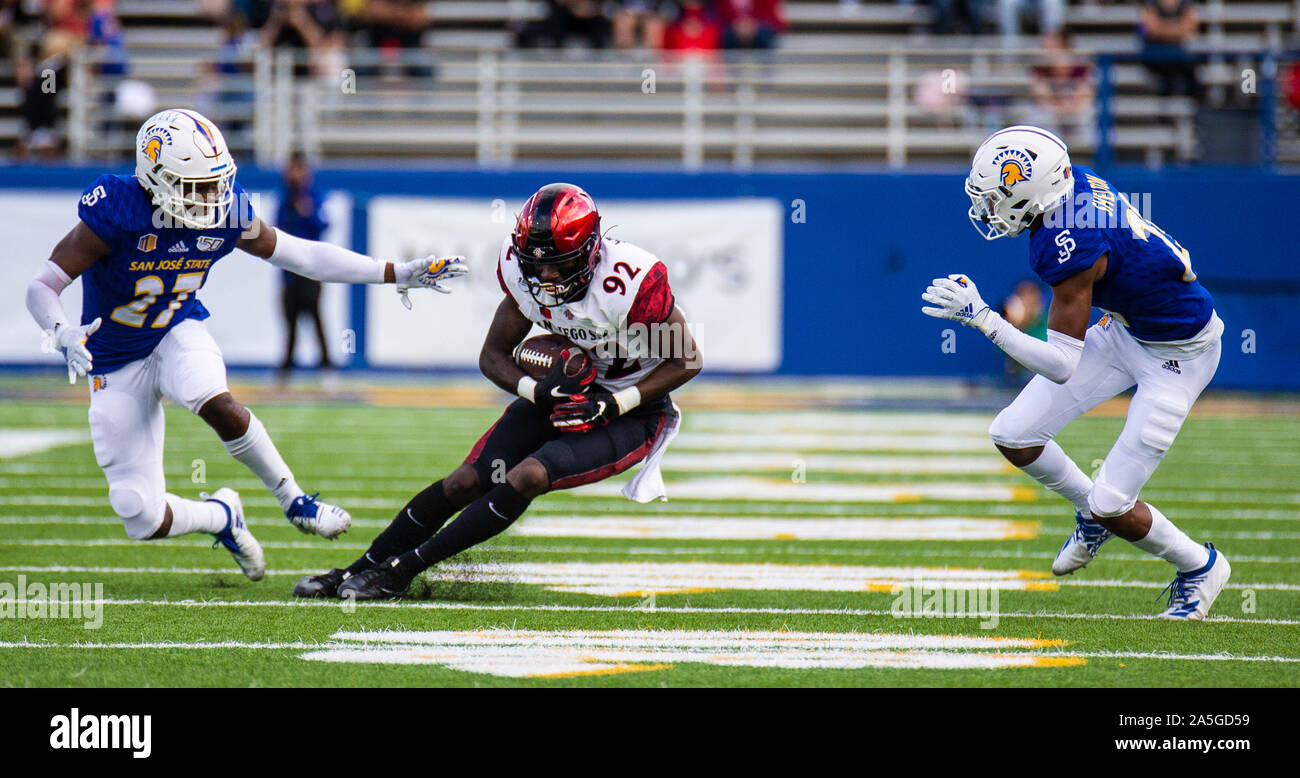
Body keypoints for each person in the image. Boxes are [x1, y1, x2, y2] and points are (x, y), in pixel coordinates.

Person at [23, 108, 468, 580]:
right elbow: (42, 286)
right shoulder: (116, 209)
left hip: (176, 326)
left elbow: (302, 254)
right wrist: (60, 330)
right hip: (113, 358)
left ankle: (293, 498)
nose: (212, 197)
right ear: (155, 180)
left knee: (211, 397)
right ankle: (222, 516)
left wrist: (396, 273)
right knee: (138, 514)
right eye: (196, 186)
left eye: (217, 183)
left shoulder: (225, 211)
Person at [294, 183, 702, 599]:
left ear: (591, 251)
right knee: (465, 482)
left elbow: (687, 358)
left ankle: (401, 573)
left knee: (529, 475)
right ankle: (356, 570)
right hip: (565, 393)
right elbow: (492, 356)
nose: (546, 277)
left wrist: (615, 403)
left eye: (558, 265)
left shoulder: (631, 283)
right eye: (537, 265)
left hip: (633, 407)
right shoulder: (520, 274)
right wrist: (536, 393)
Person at [920, 125, 1229, 619]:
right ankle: (1091, 512)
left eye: (996, 198)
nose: (988, 210)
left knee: (1115, 504)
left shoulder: (1066, 241)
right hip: (1127, 329)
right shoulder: (1071, 184)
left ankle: (1200, 565)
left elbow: (1062, 365)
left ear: (1030, 191)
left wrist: (982, 317)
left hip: (1180, 356)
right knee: (1013, 433)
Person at [276, 152, 333, 376]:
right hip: (290, 272)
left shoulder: (314, 197)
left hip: (310, 271)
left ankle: (326, 364)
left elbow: (323, 225)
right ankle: (288, 364)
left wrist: (307, 212)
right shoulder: (285, 198)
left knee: (315, 316)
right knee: (290, 321)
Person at [1139, 0, 1201, 100]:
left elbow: (1189, 28)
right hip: (1156, 55)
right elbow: (1152, 30)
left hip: (1179, 55)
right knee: (1166, 72)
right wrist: (1178, 28)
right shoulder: (1150, 4)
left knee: (1190, 70)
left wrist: (1162, 28)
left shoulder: (1186, 4)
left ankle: (1194, 105)